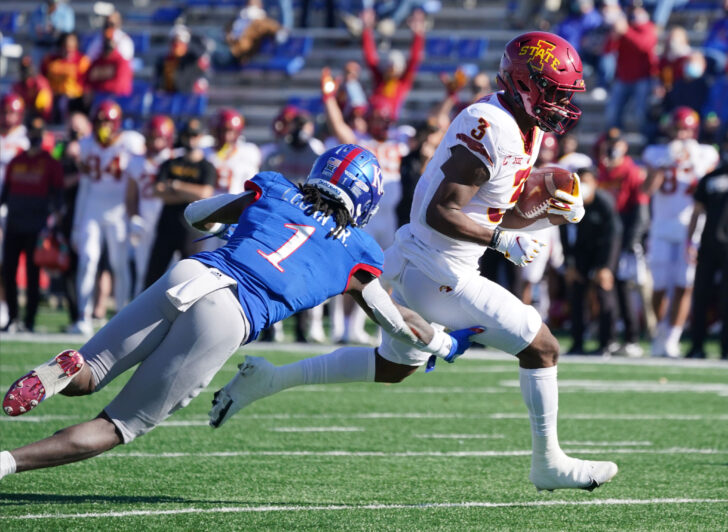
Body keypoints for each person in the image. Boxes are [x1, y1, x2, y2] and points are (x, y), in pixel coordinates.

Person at [210, 31, 619, 492]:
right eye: (556, 91)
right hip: (439, 268)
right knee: (541, 347)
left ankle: (269, 379)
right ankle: (549, 463)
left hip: (422, 258)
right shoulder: (494, 125)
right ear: (526, 84)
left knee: (394, 367)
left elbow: (497, 204)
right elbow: (440, 211)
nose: (563, 103)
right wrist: (503, 239)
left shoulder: (525, 122)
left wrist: (549, 214)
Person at [0, 144, 476, 481]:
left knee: (90, 372)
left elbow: (194, 216)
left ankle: (60, 369)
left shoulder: (274, 188)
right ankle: (7, 463)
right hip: (230, 313)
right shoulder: (359, 251)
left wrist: (242, 216)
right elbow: (395, 322)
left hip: (190, 274)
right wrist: (442, 341)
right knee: (118, 425)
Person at [642, 107, 720, 357]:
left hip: (690, 229)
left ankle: (673, 338)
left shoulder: (705, 153)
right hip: (661, 227)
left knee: (684, 285)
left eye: (686, 128)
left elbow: (707, 186)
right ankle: (660, 331)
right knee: (660, 286)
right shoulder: (656, 152)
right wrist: (665, 164)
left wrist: (692, 162)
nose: (682, 133)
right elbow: (646, 190)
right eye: (678, 128)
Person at [69, 100, 144, 336]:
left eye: (107, 121)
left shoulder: (130, 142)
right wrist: (76, 223)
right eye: (100, 121)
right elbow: (84, 186)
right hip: (93, 209)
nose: (103, 126)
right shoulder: (86, 144)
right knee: (88, 260)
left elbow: (138, 180)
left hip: (119, 212)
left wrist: (135, 214)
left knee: (119, 265)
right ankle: (83, 315)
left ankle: (123, 314)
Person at [0, 118, 64, 332]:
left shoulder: (50, 163)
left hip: (37, 225)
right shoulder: (17, 160)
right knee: (9, 271)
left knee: (33, 274)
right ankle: (12, 318)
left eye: (39, 134)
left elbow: (58, 194)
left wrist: (55, 222)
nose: (35, 138)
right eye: (33, 134)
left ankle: (29, 320)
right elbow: (5, 193)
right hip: (15, 223)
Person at [143, 119, 216, 287]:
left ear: (200, 137)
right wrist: (189, 194)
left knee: (189, 280)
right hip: (166, 227)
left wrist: (175, 185)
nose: (190, 139)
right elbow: (158, 191)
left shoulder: (206, 166)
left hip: (192, 230)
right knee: (153, 277)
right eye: (187, 135)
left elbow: (205, 193)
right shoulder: (170, 163)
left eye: (194, 135)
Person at [596, 128, 650, 356]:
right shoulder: (600, 170)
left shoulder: (631, 171)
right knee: (605, 286)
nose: (612, 147)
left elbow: (640, 208)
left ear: (624, 146)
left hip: (625, 232)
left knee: (623, 286)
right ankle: (608, 339)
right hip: (606, 233)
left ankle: (631, 338)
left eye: (616, 143)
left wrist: (633, 240)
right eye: (609, 143)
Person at [561, 167, 622, 355]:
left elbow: (614, 235)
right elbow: (564, 232)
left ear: (595, 182)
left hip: (602, 254)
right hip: (580, 254)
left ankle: (607, 343)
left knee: (604, 295)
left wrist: (606, 267)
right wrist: (569, 264)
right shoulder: (570, 203)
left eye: (587, 181)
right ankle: (577, 342)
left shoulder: (604, 202)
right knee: (576, 294)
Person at [124, 115, 176, 297]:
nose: (155, 142)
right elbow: (130, 196)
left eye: (159, 137)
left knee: (172, 273)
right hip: (146, 220)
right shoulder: (136, 161)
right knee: (143, 271)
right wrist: (134, 217)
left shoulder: (176, 159)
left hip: (170, 221)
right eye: (151, 137)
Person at [687, 135, 728, 359]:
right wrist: (689, 240)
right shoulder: (710, 178)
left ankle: (725, 347)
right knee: (701, 296)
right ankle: (697, 345)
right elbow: (697, 211)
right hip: (709, 243)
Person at [360, 8, 425, 121]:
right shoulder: (380, 79)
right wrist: (366, 30)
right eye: (389, 65)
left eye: (394, 66)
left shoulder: (402, 82)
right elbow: (370, 58)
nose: (391, 69)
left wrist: (418, 35)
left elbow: (414, 59)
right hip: (372, 120)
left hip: (389, 122)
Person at [204, 108, 261, 195]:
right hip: (210, 205)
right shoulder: (203, 152)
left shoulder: (249, 152)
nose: (226, 136)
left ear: (238, 132)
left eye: (230, 131)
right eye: (221, 131)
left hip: (239, 204)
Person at [41, 32, 91, 121]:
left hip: (73, 98)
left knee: (64, 102)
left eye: (71, 47)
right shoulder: (50, 60)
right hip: (53, 95)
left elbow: (86, 82)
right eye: (66, 46)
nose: (68, 49)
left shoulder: (82, 61)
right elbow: (43, 78)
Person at [155, 25, 208, 95]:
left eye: (180, 42)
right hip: (170, 97)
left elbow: (201, 51)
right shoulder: (164, 61)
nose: (177, 45)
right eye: (175, 42)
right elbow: (158, 82)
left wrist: (188, 37)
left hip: (188, 97)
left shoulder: (191, 59)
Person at [85, 28, 133, 97]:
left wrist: (99, 84)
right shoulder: (97, 62)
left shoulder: (121, 62)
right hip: (98, 99)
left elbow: (119, 87)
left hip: (118, 99)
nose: (107, 44)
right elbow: (88, 83)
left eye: (110, 42)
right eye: (106, 41)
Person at [11, 56, 53, 121]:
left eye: (28, 68)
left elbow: (44, 105)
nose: (26, 71)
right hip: (24, 115)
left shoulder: (40, 82)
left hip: (39, 116)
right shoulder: (17, 85)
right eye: (24, 68)